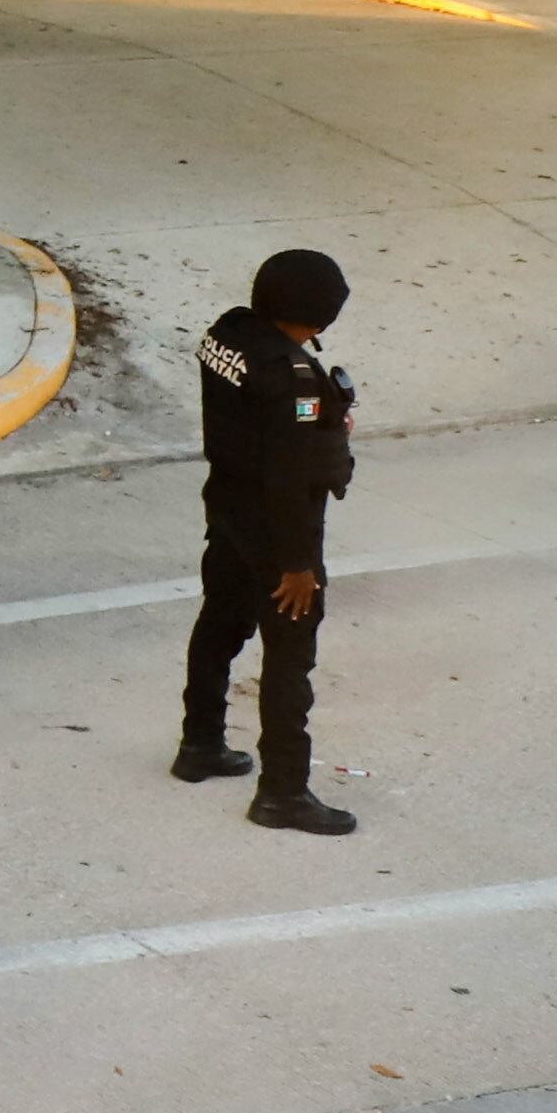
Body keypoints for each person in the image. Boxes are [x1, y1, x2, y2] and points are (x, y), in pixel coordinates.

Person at [182, 244, 359, 834]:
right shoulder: (294, 380)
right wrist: (298, 566)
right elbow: (293, 479)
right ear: (318, 315)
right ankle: (283, 791)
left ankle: (200, 743)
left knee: (219, 625)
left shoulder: (228, 334)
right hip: (275, 536)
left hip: (227, 512)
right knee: (289, 664)